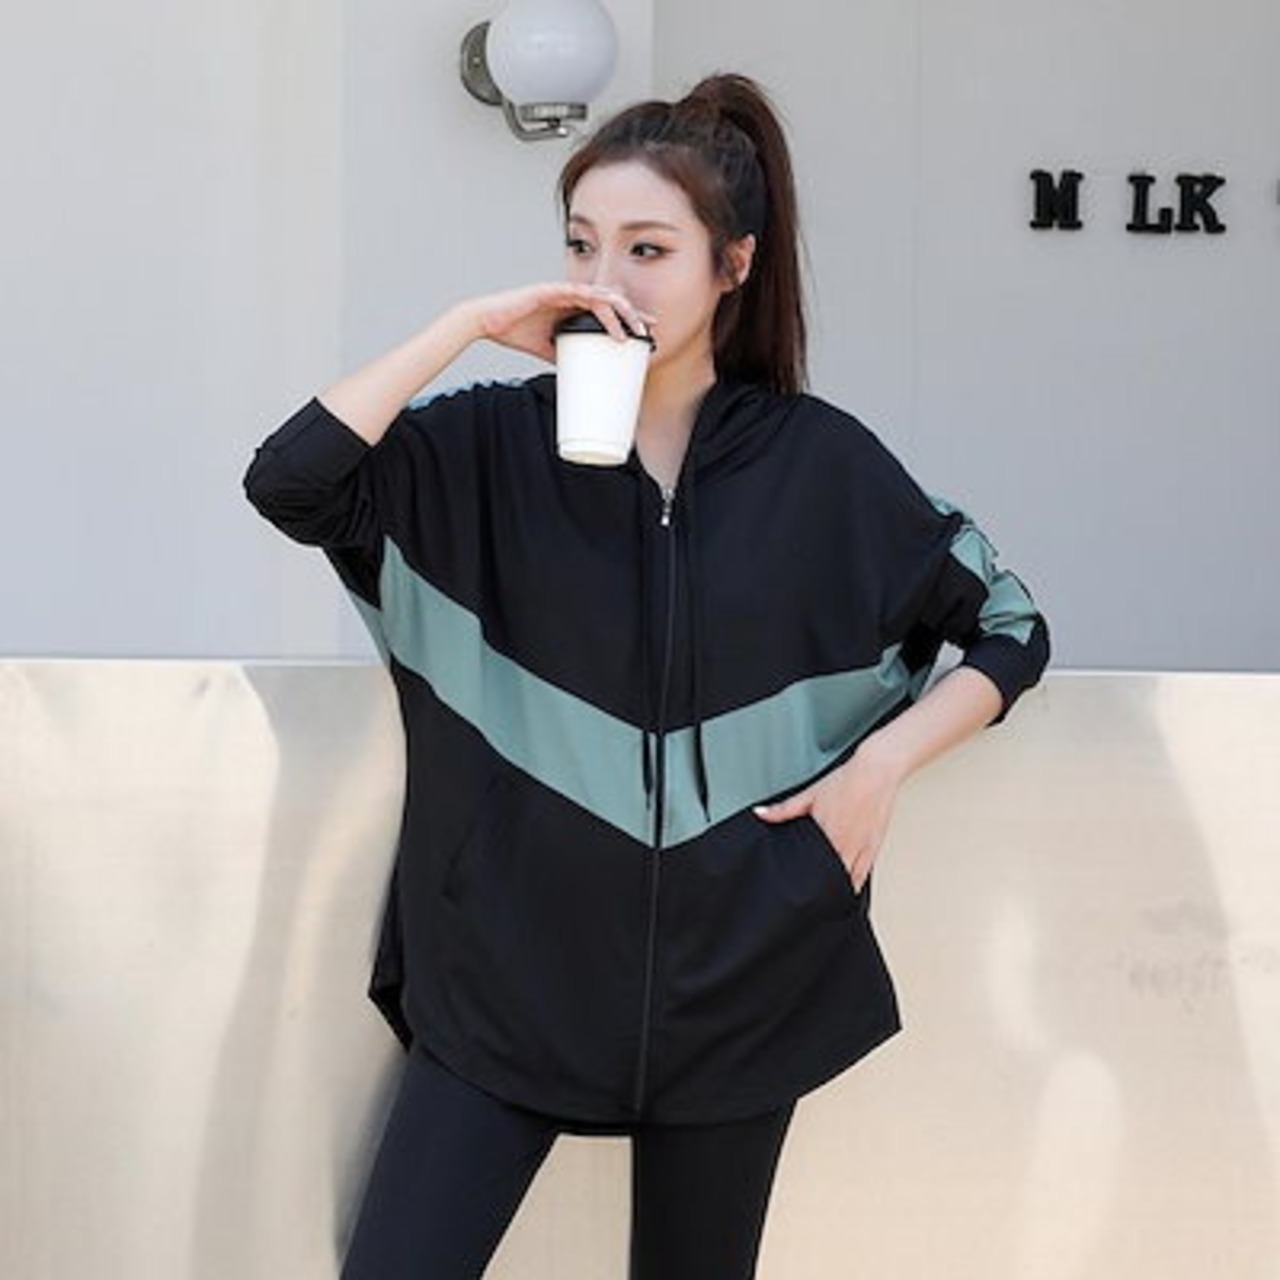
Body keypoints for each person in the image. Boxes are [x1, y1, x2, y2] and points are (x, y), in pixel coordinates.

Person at [244, 73, 1048, 1280]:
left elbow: (1008, 626)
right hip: (502, 978)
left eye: (647, 248)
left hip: (742, 981)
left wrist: (877, 768)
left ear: (734, 264)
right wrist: (465, 323)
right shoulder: (484, 447)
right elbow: (290, 480)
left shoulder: (819, 466)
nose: (605, 278)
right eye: (581, 244)